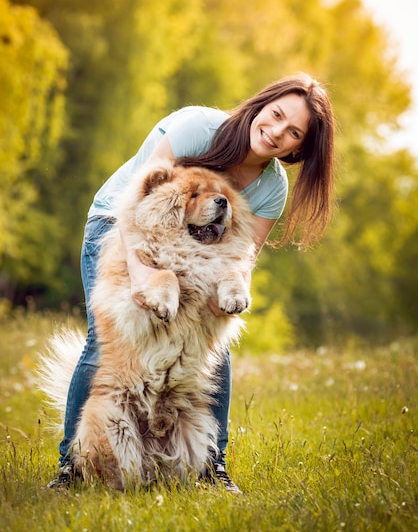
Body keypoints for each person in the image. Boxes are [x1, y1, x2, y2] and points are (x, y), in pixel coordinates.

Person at [48, 72, 335, 493]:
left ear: (299, 148)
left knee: (215, 350)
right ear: (260, 104)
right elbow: (138, 205)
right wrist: (143, 272)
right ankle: (70, 468)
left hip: (202, 250)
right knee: (102, 342)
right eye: (275, 115)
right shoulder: (197, 127)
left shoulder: (272, 186)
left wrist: (230, 293)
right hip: (121, 226)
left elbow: (242, 258)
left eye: (293, 132)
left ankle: (211, 469)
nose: (276, 132)